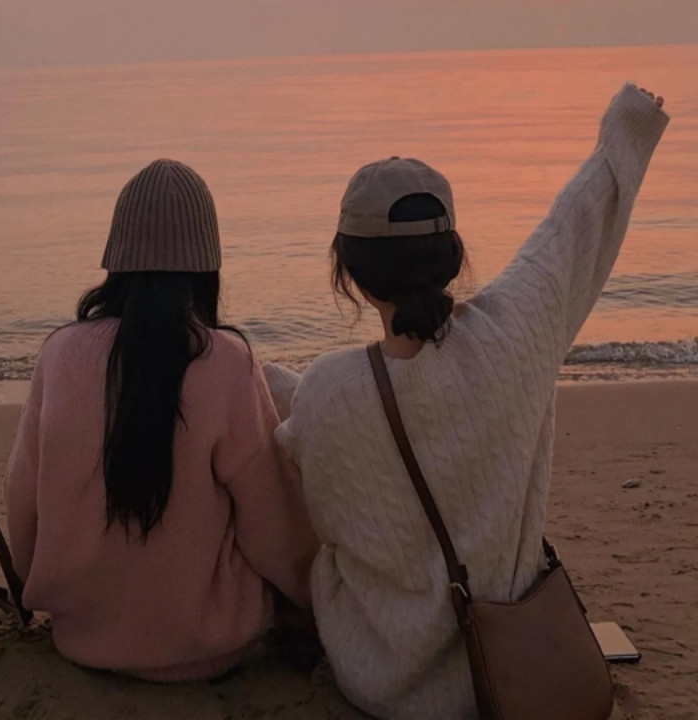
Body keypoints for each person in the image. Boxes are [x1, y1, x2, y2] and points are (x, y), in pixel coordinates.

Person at [275, 84, 669, 718]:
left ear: (348, 274)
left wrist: (243, 374)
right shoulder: (516, 335)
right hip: (518, 664)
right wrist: (628, 128)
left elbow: (319, 485)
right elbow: (569, 232)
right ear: (454, 257)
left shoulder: (328, 394)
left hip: (386, 686)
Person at [5, 159, 318, 681]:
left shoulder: (59, 354)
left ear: (116, 259)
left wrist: (30, 581)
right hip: (207, 645)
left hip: (81, 639)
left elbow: (22, 502)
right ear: (207, 266)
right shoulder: (225, 361)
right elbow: (274, 528)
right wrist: (309, 592)